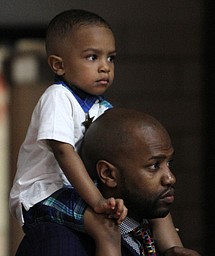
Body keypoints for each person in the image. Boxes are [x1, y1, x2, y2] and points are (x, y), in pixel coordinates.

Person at [9, 9, 183, 256]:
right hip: (44, 193)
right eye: (92, 57)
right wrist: (98, 202)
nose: (105, 67)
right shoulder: (57, 97)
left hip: (77, 191)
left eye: (110, 58)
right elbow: (63, 151)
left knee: (151, 201)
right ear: (58, 65)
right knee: (105, 225)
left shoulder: (101, 107)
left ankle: (172, 249)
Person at [16, 108, 201, 256]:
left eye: (169, 163)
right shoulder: (57, 239)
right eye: (154, 166)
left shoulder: (153, 240)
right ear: (108, 174)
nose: (170, 178)